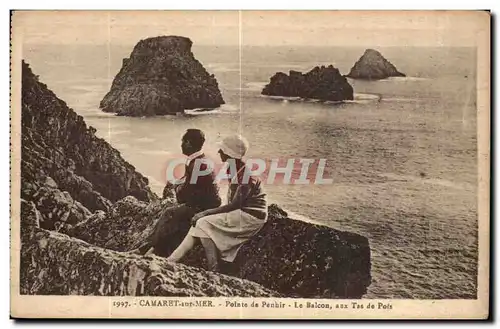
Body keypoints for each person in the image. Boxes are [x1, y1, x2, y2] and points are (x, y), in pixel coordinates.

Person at [165, 134, 268, 272]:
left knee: (202, 222)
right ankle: (174, 260)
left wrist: (205, 213)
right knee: (200, 224)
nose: (219, 152)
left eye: (222, 150)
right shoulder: (235, 169)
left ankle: (211, 268)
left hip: (251, 217)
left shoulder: (246, 176)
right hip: (243, 212)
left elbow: (234, 205)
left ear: (229, 154)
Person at [129, 129, 222, 257]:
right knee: (174, 218)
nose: (181, 145)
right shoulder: (201, 159)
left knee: (169, 213)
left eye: (183, 142)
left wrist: (178, 188)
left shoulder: (197, 164)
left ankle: (147, 250)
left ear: (188, 143)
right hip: (208, 203)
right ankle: (151, 249)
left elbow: (187, 193)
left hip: (204, 207)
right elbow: (191, 184)